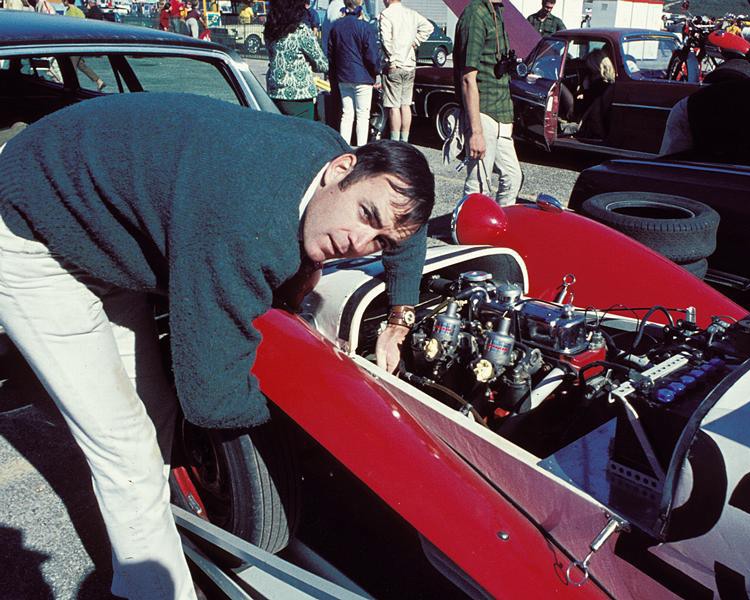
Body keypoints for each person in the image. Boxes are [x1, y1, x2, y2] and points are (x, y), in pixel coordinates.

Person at [0, 92, 433, 600]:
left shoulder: (339, 160)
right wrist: (316, 428)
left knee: (154, 414)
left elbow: (405, 223)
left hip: (94, 215)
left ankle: (148, 523)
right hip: (33, 229)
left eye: (379, 241)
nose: (359, 244)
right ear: (341, 169)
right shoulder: (245, 223)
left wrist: (400, 317)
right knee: (123, 446)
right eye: (364, 215)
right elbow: (210, 394)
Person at [451, 0, 522, 206]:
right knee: (479, 185)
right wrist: (476, 132)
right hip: (482, 113)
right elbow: (467, 78)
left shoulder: (496, 12)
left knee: (512, 177)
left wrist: (507, 119)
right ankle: (467, 225)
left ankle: (502, 222)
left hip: (500, 112)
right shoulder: (475, 15)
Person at [379, 0, 432, 142]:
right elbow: (429, 27)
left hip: (395, 65)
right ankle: (405, 140)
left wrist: (392, 60)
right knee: (406, 104)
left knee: (394, 106)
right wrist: (415, 42)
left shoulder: (386, 14)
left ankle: (395, 140)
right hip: (409, 64)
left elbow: (385, 40)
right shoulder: (411, 13)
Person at [328, 0, 380, 146]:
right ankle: (361, 148)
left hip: (343, 76)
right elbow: (371, 55)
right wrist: (376, 72)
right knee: (362, 115)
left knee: (347, 114)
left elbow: (331, 54)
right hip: (363, 77)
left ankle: (344, 147)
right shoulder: (364, 26)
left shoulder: (336, 26)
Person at [265, 0, 328, 119]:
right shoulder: (301, 30)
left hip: (275, 92)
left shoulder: (270, 30)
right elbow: (322, 63)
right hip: (300, 95)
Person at [62, 0, 106, 91]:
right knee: (80, 64)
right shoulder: (78, 11)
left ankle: (73, 88)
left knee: (72, 66)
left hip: (74, 43)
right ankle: (98, 81)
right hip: (79, 42)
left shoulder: (71, 11)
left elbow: (69, 27)